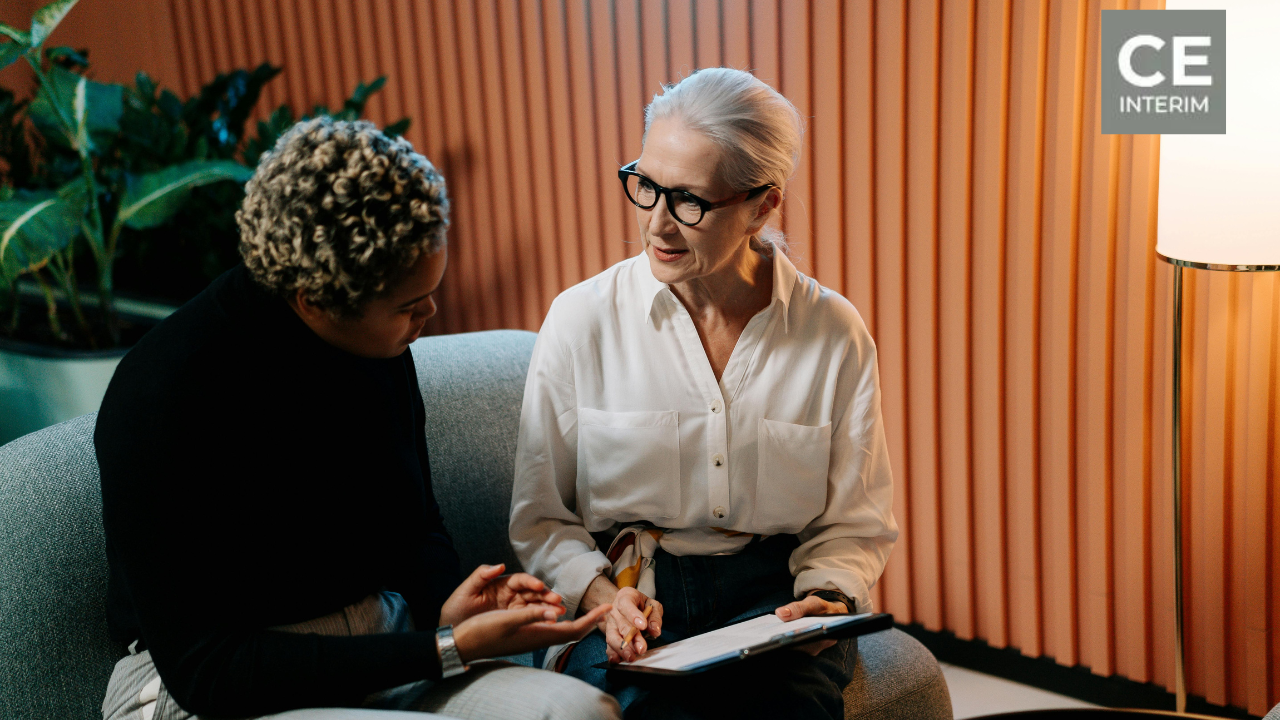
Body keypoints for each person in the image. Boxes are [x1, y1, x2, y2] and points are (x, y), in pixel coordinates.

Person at [96, 117, 618, 720]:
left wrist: (448, 607)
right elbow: (208, 670)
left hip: (383, 642)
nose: (431, 311)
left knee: (579, 713)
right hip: (220, 687)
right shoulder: (162, 397)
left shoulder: (376, 348)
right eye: (407, 305)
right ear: (314, 302)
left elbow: (415, 523)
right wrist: (444, 648)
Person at [508, 68, 899, 719]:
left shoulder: (833, 333)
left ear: (762, 205)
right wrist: (604, 595)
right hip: (632, 591)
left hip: (773, 598)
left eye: (688, 200)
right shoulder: (580, 321)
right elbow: (541, 517)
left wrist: (829, 592)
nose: (657, 224)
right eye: (646, 186)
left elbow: (853, 521)